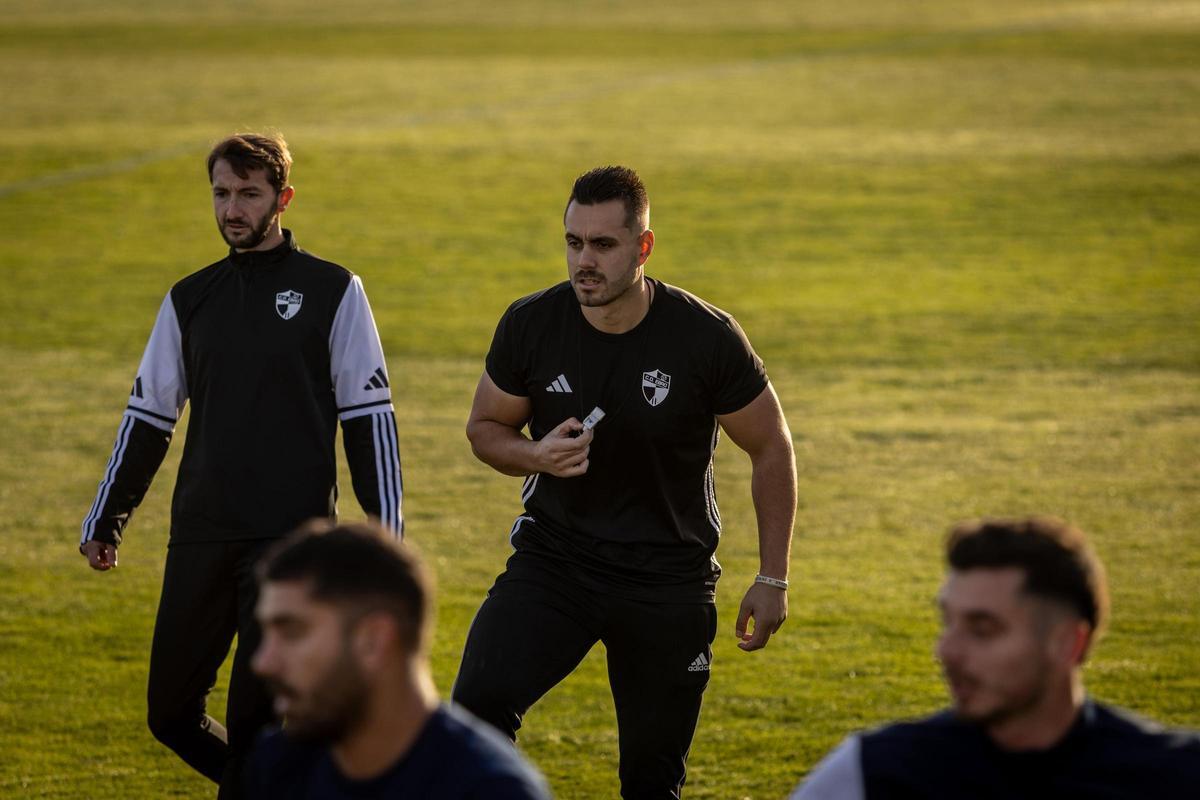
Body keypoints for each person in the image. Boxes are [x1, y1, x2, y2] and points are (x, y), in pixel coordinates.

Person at [452, 165, 797, 798]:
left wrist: (772, 577)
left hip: (667, 580)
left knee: (650, 778)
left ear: (643, 246)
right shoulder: (530, 324)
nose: (585, 261)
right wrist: (537, 458)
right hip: (556, 563)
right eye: (573, 242)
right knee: (471, 719)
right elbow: (484, 429)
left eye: (603, 245)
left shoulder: (706, 337)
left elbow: (771, 444)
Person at [78, 132, 404, 798]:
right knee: (169, 713)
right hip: (201, 530)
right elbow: (149, 418)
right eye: (222, 194)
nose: (232, 209)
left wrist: (385, 540)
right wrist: (108, 517)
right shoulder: (189, 300)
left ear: (281, 199)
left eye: (248, 194)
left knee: (256, 723)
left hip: (290, 544)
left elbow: (371, 423)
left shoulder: (334, 290)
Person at [792, 516, 1200, 799]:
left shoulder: (1175, 777)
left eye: (983, 629)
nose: (946, 651)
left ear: (1068, 645)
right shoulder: (875, 774)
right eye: (947, 623)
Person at [244, 521, 551, 799]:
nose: (263, 662)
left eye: (292, 632)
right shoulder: (280, 762)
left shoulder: (492, 791)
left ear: (374, 641)